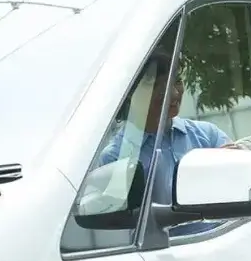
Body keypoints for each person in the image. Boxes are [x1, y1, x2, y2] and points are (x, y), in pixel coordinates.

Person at [98, 51, 231, 235]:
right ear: (130, 93)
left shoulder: (207, 136)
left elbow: (242, 186)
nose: (175, 93)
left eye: (177, 81)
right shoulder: (115, 158)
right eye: (160, 86)